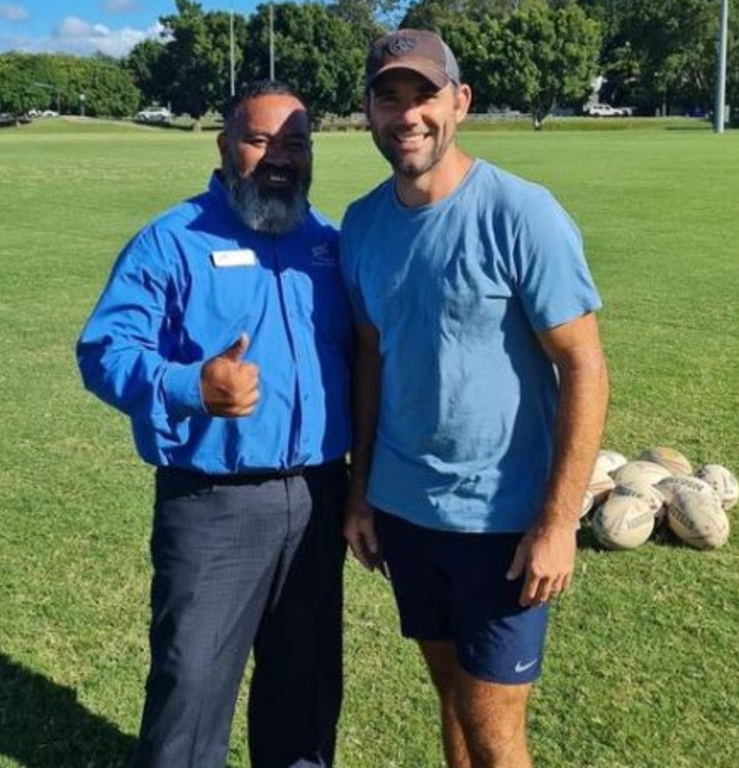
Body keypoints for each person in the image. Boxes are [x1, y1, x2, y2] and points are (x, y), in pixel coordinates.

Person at [340, 30, 610, 768]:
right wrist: (361, 493)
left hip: (503, 524)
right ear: (367, 110)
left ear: (459, 101)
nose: (407, 116)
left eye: (424, 95)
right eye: (387, 97)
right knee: (454, 701)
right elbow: (371, 360)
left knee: (495, 734)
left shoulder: (521, 213)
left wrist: (558, 522)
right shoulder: (361, 224)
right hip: (407, 514)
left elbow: (584, 366)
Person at [77, 80, 351, 768]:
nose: (279, 157)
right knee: (191, 687)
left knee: (305, 682)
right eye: (260, 140)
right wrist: (188, 385)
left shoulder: (329, 244)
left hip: (320, 497)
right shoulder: (172, 241)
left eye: (296, 142)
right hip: (212, 504)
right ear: (228, 145)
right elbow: (103, 351)